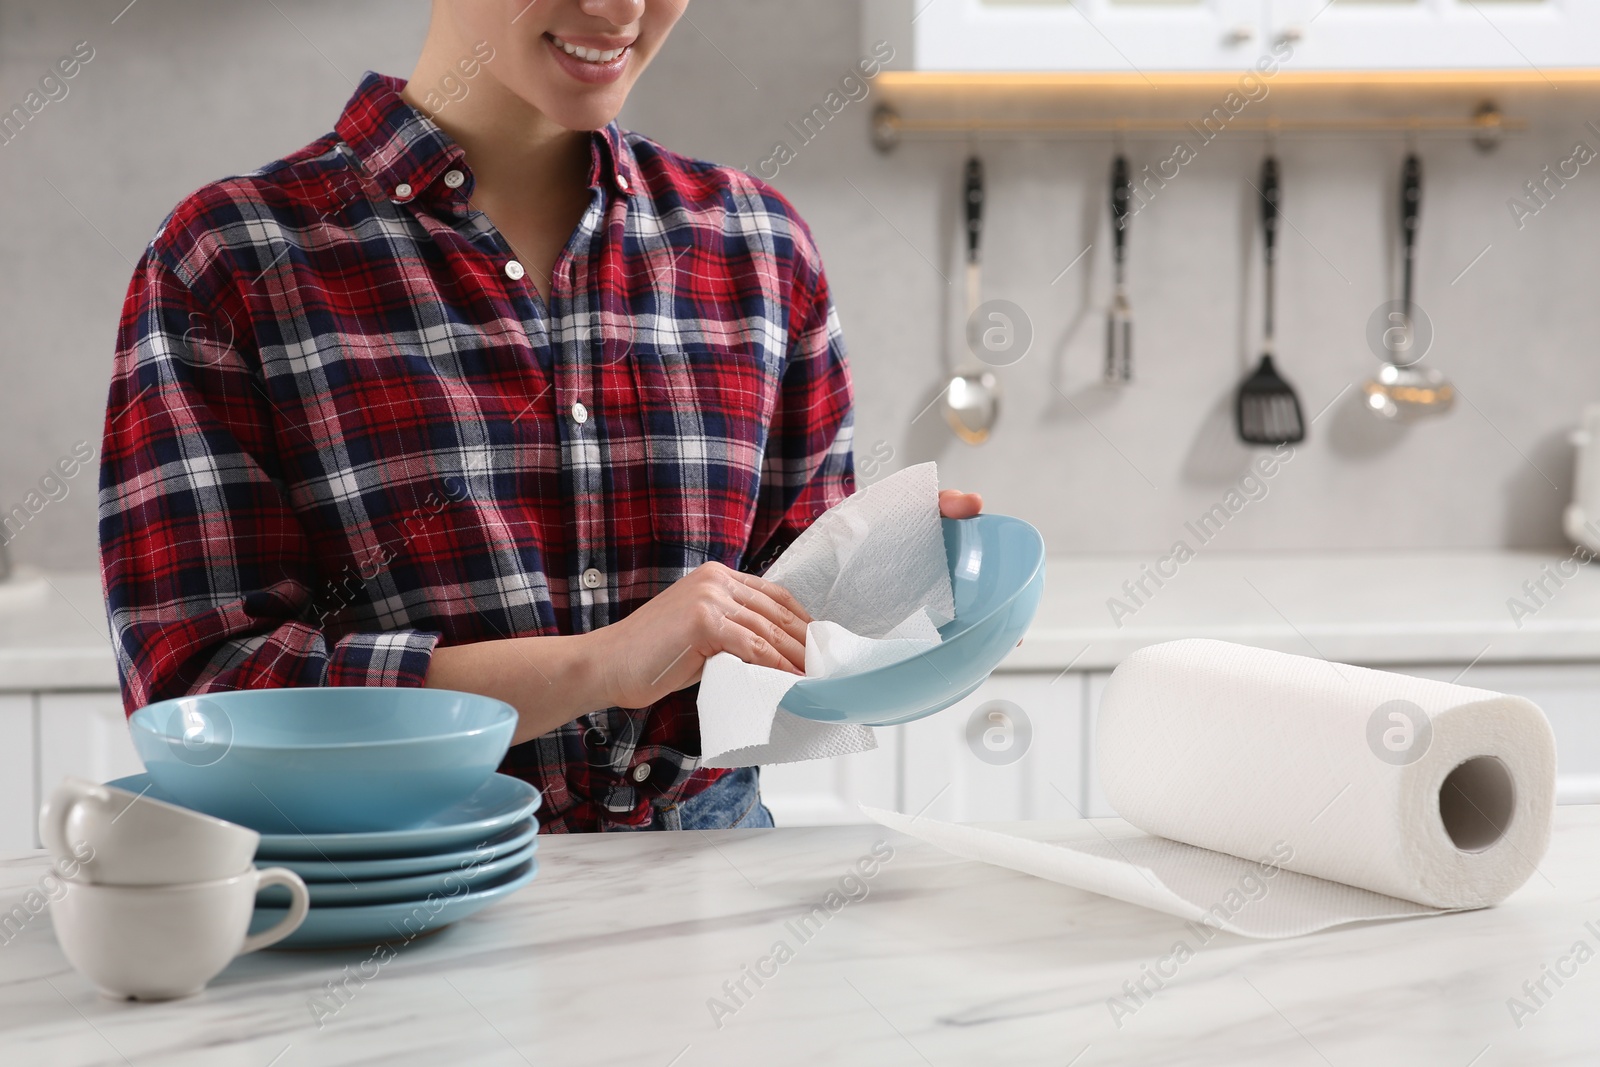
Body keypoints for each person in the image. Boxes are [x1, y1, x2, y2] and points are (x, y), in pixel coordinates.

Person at [99, 0, 981, 833]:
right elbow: (204, 702)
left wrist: (885, 572)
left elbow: (779, 639)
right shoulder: (232, 260)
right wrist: (597, 665)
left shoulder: (757, 245)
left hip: (716, 899)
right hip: (393, 901)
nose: (618, 8)